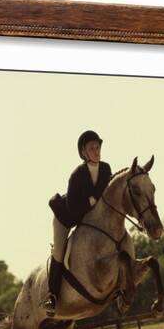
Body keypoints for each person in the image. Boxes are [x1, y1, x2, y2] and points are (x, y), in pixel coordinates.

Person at [44, 130, 112, 316]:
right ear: (84, 152)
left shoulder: (106, 169)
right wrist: (91, 202)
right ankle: (52, 297)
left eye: (98, 147)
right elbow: (74, 209)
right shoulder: (77, 175)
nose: (96, 151)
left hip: (88, 219)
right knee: (59, 253)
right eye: (92, 148)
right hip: (65, 217)